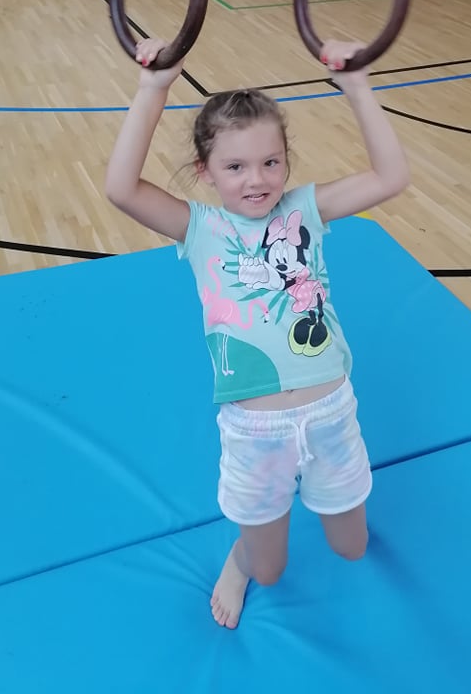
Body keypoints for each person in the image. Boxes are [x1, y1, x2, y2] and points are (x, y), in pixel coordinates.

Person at [105, 36, 410, 630]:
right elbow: (121, 189)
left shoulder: (304, 209)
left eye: (271, 162)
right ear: (205, 171)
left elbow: (391, 175)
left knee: (351, 547)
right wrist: (154, 86)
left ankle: (277, 532)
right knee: (267, 569)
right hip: (256, 433)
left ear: (287, 162)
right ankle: (240, 561)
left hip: (331, 416)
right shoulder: (199, 227)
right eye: (235, 166)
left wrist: (356, 84)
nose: (257, 180)